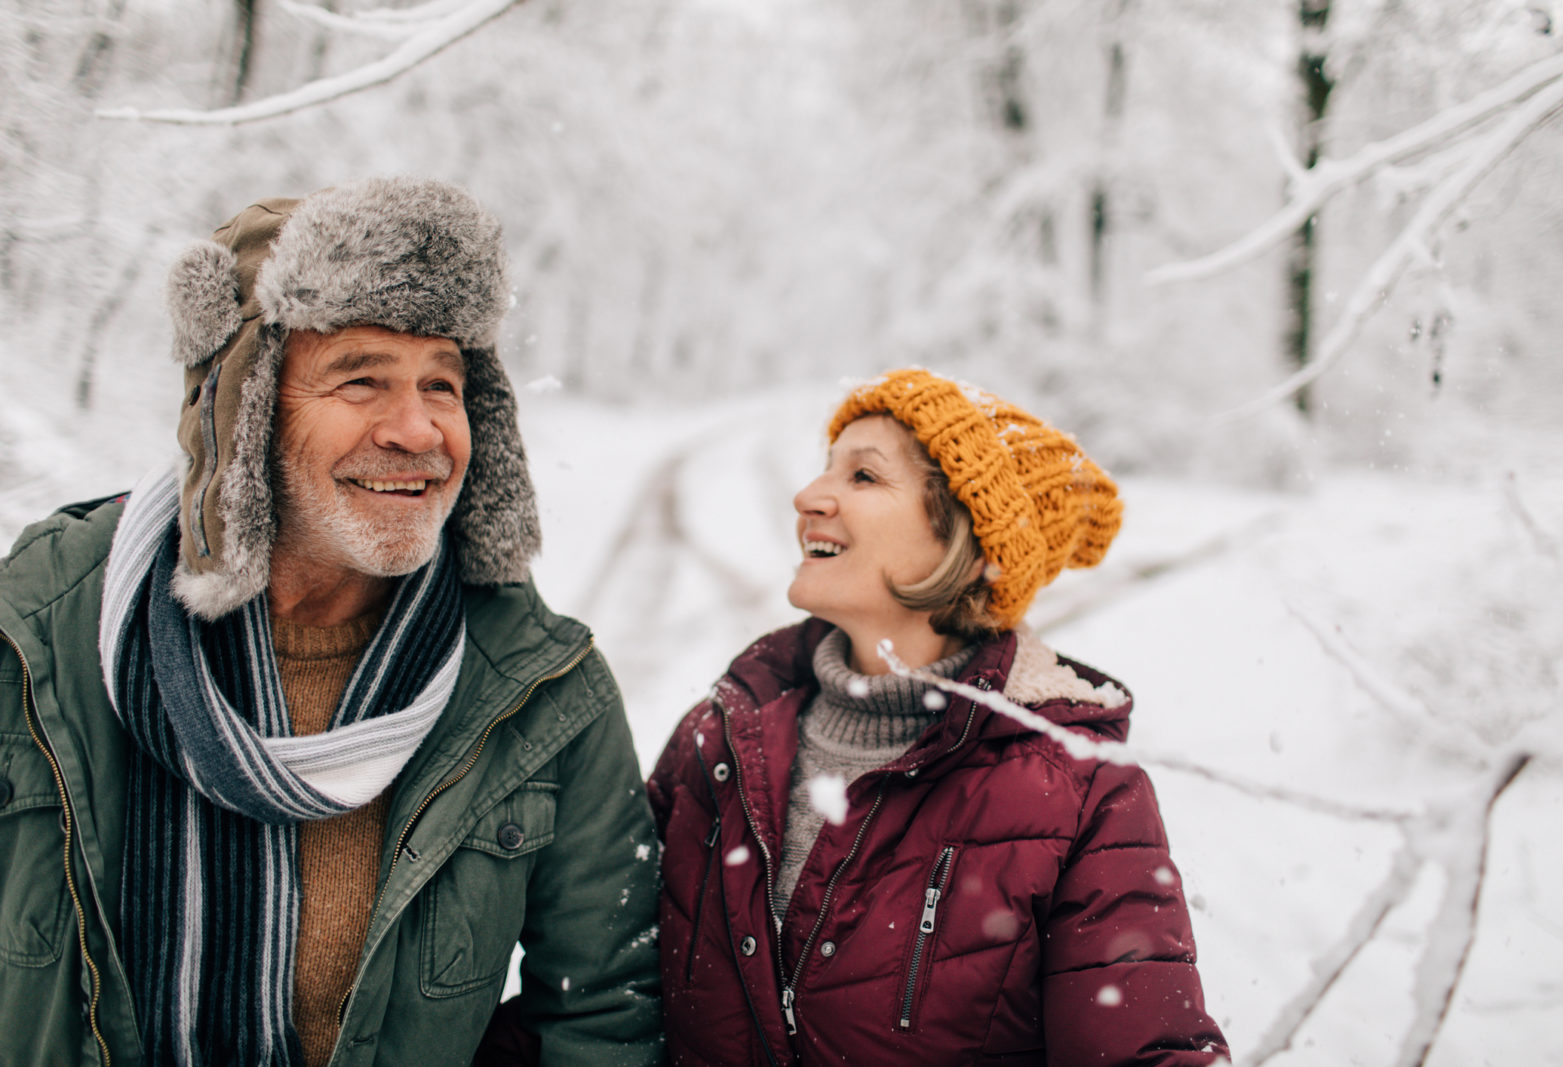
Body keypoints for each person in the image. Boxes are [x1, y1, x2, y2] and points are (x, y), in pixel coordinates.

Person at [0, 176, 663, 1066]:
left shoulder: (541, 692)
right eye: (361, 379)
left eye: (443, 382)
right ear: (246, 413)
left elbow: (602, 1019)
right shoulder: (37, 636)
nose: (418, 429)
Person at [647, 369, 1228, 1065]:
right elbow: (595, 998)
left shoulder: (1079, 796)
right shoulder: (720, 738)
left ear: (975, 545)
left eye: (864, 476)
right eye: (826, 469)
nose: (807, 497)